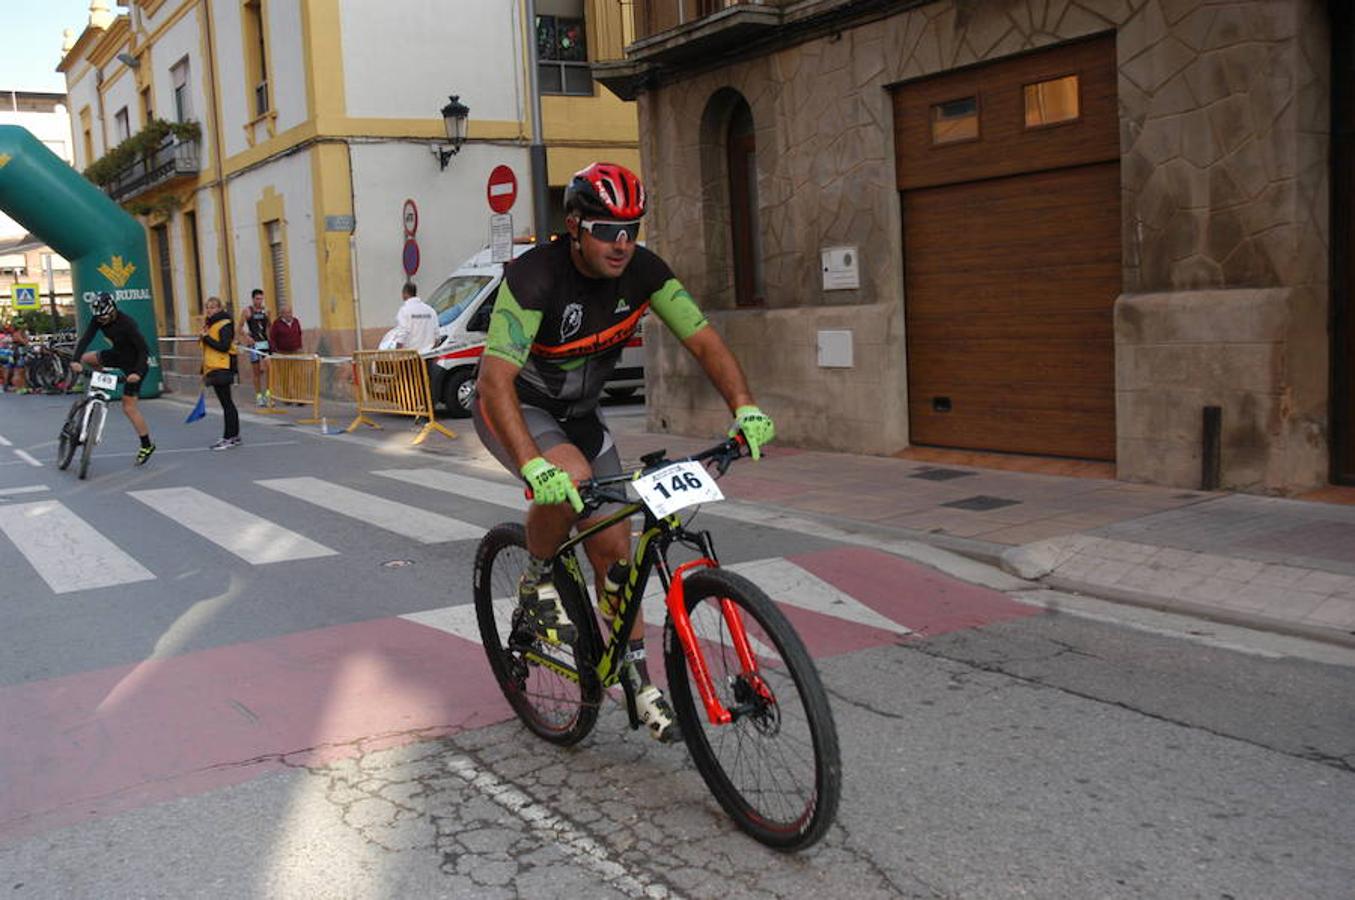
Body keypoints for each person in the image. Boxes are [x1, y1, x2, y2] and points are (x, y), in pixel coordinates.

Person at [473, 162, 775, 743]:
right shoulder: (535, 278)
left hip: (583, 418)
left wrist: (744, 407)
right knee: (570, 476)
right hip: (516, 408)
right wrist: (534, 465)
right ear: (575, 226)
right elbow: (493, 382)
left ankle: (637, 680)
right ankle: (536, 580)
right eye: (608, 229)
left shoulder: (645, 272)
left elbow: (704, 339)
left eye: (631, 229)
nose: (621, 243)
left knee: (616, 551)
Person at [69, 292, 156, 465]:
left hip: (135, 364)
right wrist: (75, 360)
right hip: (117, 355)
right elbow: (86, 339)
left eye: (105, 318)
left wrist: (136, 374)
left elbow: (143, 351)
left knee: (129, 407)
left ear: (113, 310)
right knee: (87, 358)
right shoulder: (98, 319)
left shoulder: (127, 323)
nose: (102, 321)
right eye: (99, 319)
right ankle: (100, 386)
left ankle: (146, 445)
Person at [201, 296, 241, 450]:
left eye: (212, 307)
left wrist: (206, 339)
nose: (209, 310)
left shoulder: (224, 323)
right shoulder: (211, 324)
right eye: (207, 307)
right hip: (214, 366)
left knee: (227, 404)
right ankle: (234, 436)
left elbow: (224, 346)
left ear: (219, 308)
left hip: (222, 366)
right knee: (227, 403)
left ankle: (229, 437)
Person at [238, 288, 270, 406]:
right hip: (254, 344)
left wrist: (271, 341)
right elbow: (239, 328)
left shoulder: (266, 311)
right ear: (253, 299)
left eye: (261, 299)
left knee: (269, 368)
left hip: (265, 343)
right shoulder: (247, 311)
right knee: (256, 371)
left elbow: (269, 326)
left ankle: (268, 394)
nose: (259, 301)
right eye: (257, 299)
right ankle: (258, 396)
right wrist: (247, 337)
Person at [390, 282, 439, 353]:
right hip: (428, 355)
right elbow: (437, 335)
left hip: (411, 357)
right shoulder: (430, 310)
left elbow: (403, 332)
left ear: (405, 293)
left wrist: (397, 350)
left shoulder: (404, 311)